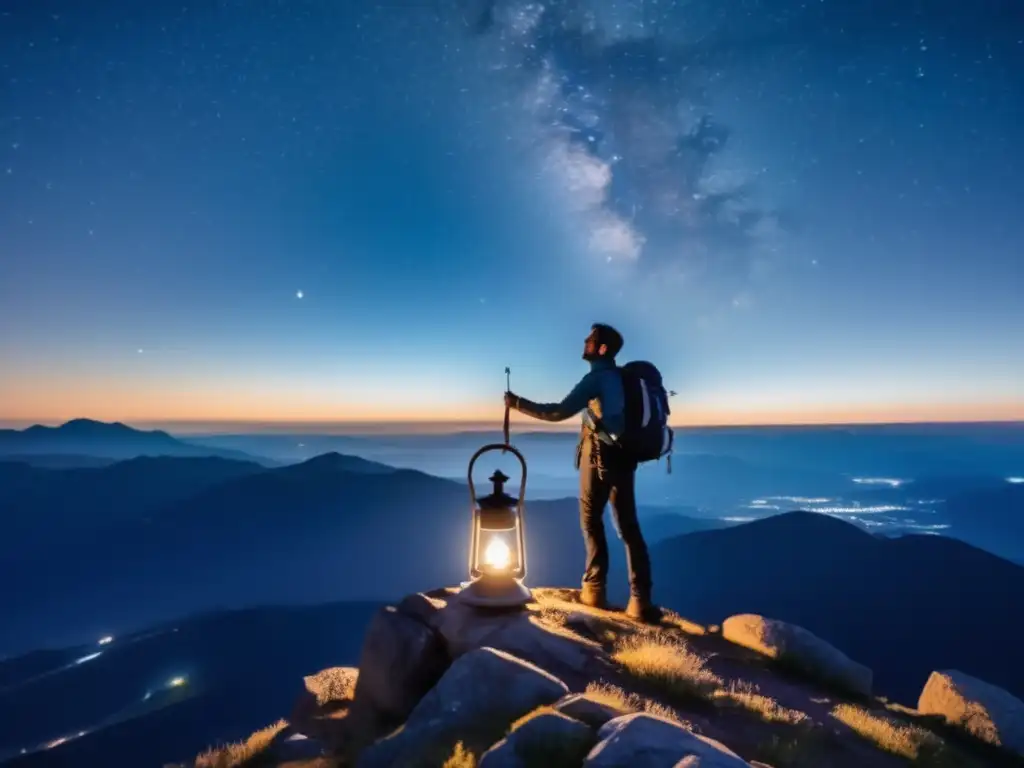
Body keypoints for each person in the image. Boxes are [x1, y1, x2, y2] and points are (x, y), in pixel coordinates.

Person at [504, 323, 661, 623]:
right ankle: (641, 602)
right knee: (629, 528)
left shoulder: (596, 379)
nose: (585, 342)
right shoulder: (621, 379)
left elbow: (557, 412)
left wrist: (517, 403)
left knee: (590, 521)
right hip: (625, 459)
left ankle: (593, 590)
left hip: (598, 459)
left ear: (602, 349)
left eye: (590, 340)